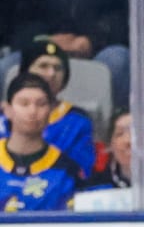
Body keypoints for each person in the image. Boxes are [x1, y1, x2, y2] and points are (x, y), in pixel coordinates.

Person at [0, 73, 85, 211]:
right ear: (7, 110)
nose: (33, 111)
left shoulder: (67, 169)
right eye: (24, 104)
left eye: (41, 104)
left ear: (50, 110)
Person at [14, 36, 95, 170]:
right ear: (26, 71)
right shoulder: (5, 116)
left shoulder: (78, 121)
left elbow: (82, 172)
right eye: (43, 66)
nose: (51, 74)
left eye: (57, 68)